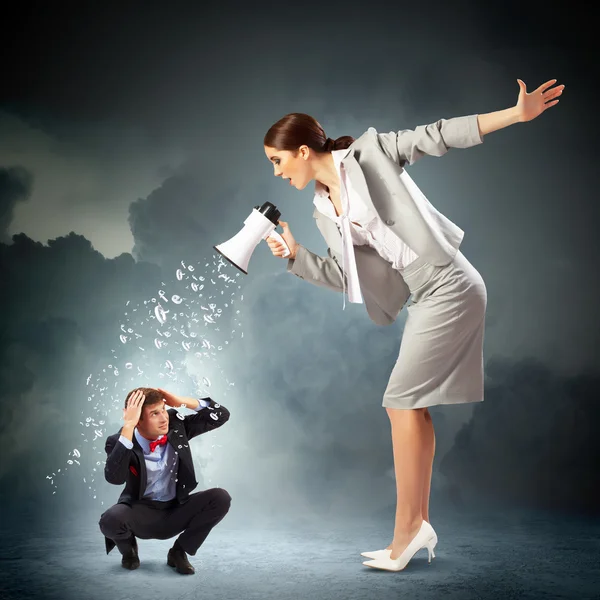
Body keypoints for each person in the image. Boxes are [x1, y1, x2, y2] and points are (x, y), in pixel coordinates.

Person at [263, 78, 564, 571]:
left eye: (277, 161)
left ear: (301, 150)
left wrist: (515, 115)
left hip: (449, 282)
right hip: (420, 296)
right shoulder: (322, 210)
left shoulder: (371, 154)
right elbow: (348, 277)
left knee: (400, 402)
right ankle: (415, 526)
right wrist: (296, 255)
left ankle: (407, 533)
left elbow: (438, 135)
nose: (276, 173)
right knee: (409, 406)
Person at [98, 386, 231, 574]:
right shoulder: (119, 440)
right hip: (140, 513)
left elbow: (221, 415)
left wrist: (182, 402)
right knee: (110, 520)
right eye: (154, 414)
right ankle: (129, 551)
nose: (164, 418)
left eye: (163, 410)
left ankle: (178, 552)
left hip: (176, 509)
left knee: (220, 498)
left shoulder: (176, 426)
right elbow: (114, 478)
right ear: (137, 420)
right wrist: (128, 427)